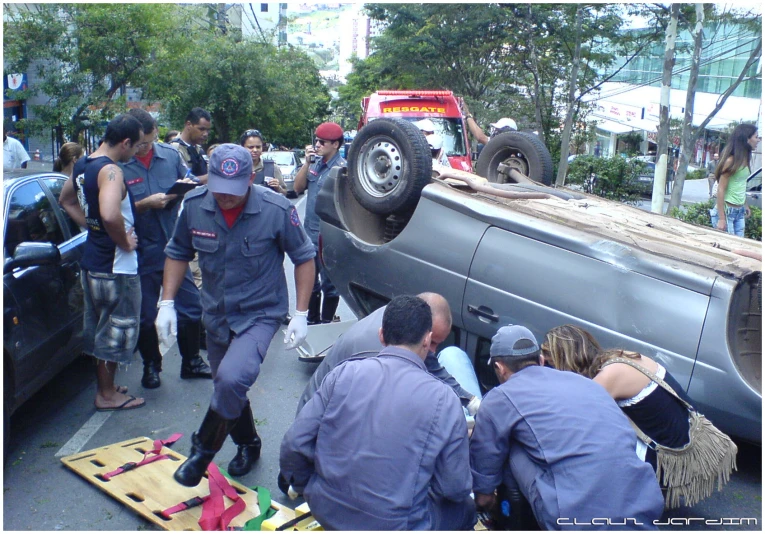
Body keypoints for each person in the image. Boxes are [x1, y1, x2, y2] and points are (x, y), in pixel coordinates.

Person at [157, 144, 315, 485]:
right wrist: (166, 303)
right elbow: (178, 252)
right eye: (219, 189)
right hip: (215, 313)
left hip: (259, 313)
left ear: (251, 178)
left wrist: (301, 313)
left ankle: (201, 452)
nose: (225, 198)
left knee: (230, 379)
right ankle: (248, 443)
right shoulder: (196, 206)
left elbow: (304, 257)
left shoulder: (276, 208)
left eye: (234, 191)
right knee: (229, 386)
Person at [280, 295, 476, 531]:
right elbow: (454, 487)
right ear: (426, 340)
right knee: (465, 508)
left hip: (326, 510)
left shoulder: (345, 373)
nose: (433, 349)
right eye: (433, 343)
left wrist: (307, 486)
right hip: (396, 525)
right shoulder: (443, 401)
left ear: (382, 334)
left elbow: (294, 443)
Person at [470, 324, 664, 530]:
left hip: (575, 519)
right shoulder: (585, 383)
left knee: (509, 442)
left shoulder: (500, 398)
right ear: (541, 361)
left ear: (500, 368)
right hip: (642, 503)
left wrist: (484, 501)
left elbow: (485, 472)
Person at [58, 114, 146, 411]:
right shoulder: (111, 171)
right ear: (125, 142)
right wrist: (123, 241)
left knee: (100, 327)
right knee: (114, 330)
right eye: (136, 147)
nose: (136, 153)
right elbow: (110, 214)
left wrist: (92, 227)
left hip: (93, 261)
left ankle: (106, 387)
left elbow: (66, 200)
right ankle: (107, 396)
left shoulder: (84, 164)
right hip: (115, 266)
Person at [120, 108, 211, 389]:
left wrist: (180, 190)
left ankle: (191, 360)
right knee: (146, 315)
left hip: (174, 246)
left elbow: (190, 182)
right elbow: (111, 212)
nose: (145, 147)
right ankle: (151, 365)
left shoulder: (169, 156)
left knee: (191, 307)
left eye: (149, 140)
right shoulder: (120, 165)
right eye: (140, 143)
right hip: (141, 250)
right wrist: (144, 204)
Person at [296, 292, 481, 417]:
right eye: (431, 342)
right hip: (322, 418)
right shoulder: (372, 359)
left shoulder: (401, 322)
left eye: (437, 343)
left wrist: (469, 400)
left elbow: (431, 364)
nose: (432, 351)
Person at [542, 325, 692, 472]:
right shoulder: (619, 357)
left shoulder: (606, 379)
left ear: (566, 360)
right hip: (690, 434)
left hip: (674, 456)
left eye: (551, 364)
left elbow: (569, 422)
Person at [293, 122, 346, 325]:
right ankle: (312, 322)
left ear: (335, 145)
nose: (317, 145)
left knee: (329, 285)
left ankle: (326, 323)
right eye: (316, 140)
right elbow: (297, 188)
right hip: (310, 234)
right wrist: (306, 163)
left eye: (322, 142)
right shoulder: (315, 165)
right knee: (311, 282)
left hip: (329, 236)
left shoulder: (342, 169)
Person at [711, 124, 759, 237]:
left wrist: (745, 205)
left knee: (738, 247)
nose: (758, 140)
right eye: (756, 137)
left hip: (739, 212)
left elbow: (740, 185)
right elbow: (721, 189)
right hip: (727, 212)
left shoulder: (745, 159)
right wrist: (721, 219)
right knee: (728, 250)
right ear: (746, 139)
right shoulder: (731, 161)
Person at [239, 129, 287, 195]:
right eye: (251, 147)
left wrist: (278, 188)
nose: (255, 150)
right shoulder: (237, 168)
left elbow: (285, 193)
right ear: (242, 147)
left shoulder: (272, 168)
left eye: (258, 147)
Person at [170, 107, 211, 183]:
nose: (206, 134)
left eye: (208, 130)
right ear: (189, 125)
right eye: (201, 129)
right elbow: (183, 180)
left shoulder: (199, 149)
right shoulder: (173, 149)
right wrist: (211, 177)